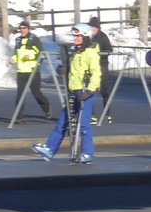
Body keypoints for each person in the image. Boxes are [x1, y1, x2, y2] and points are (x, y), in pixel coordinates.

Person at [32, 25, 101, 164]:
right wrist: (64, 69)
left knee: (83, 124)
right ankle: (50, 149)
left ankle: (87, 154)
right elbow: (76, 70)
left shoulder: (90, 53)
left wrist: (89, 92)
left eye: (78, 36)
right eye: (74, 36)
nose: (75, 39)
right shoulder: (76, 51)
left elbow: (96, 73)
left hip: (84, 91)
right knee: (63, 120)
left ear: (85, 37)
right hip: (73, 90)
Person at [10, 21, 53, 123]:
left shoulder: (34, 39)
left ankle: (46, 107)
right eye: (20, 28)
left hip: (33, 71)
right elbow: (16, 53)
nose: (22, 30)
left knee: (36, 93)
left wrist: (29, 57)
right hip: (21, 71)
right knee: (20, 94)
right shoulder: (18, 40)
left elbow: (41, 53)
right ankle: (20, 116)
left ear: (28, 29)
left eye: (24, 28)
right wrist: (13, 59)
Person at [86, 15, 114, 123]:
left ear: (98, 28)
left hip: (102, 66)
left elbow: (109, 50)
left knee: (104, 90)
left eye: (94, 28)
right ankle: (91, 115)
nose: (92, 30)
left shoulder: (103, 37)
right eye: (90, 28)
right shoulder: (87, 37)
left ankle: (107, 114)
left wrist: (100, 54)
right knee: (91, 90)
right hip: (91, 67)